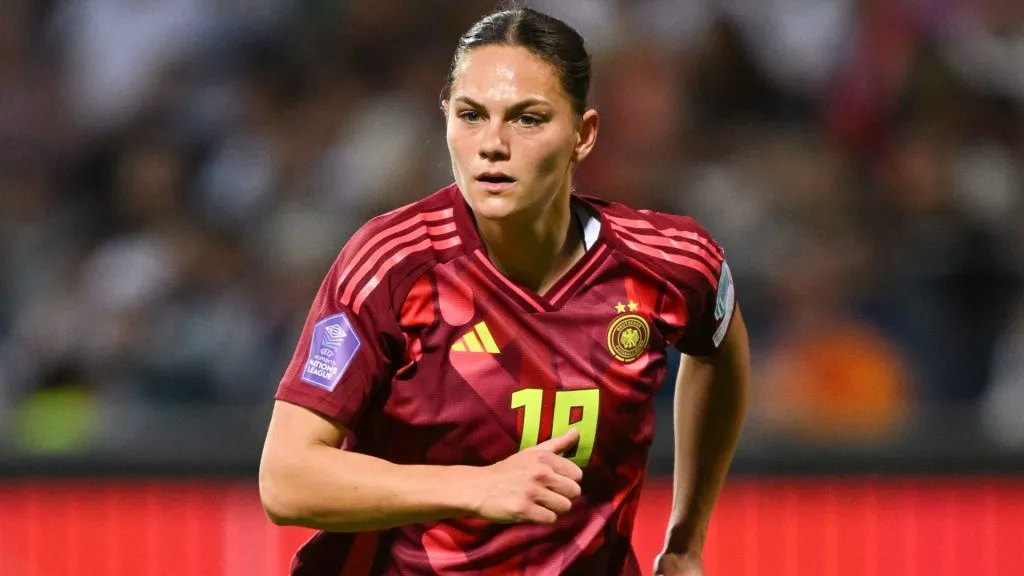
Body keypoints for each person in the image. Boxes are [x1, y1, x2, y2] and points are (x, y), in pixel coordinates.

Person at [259, 5, 749, 575]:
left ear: (583, 135)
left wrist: (687, 540)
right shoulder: (392, 265)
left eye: (528, 119)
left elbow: (720, 351)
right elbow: (287, 479)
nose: (492, 144)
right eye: (471, 115)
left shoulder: (670, 264)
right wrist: (476, 487)